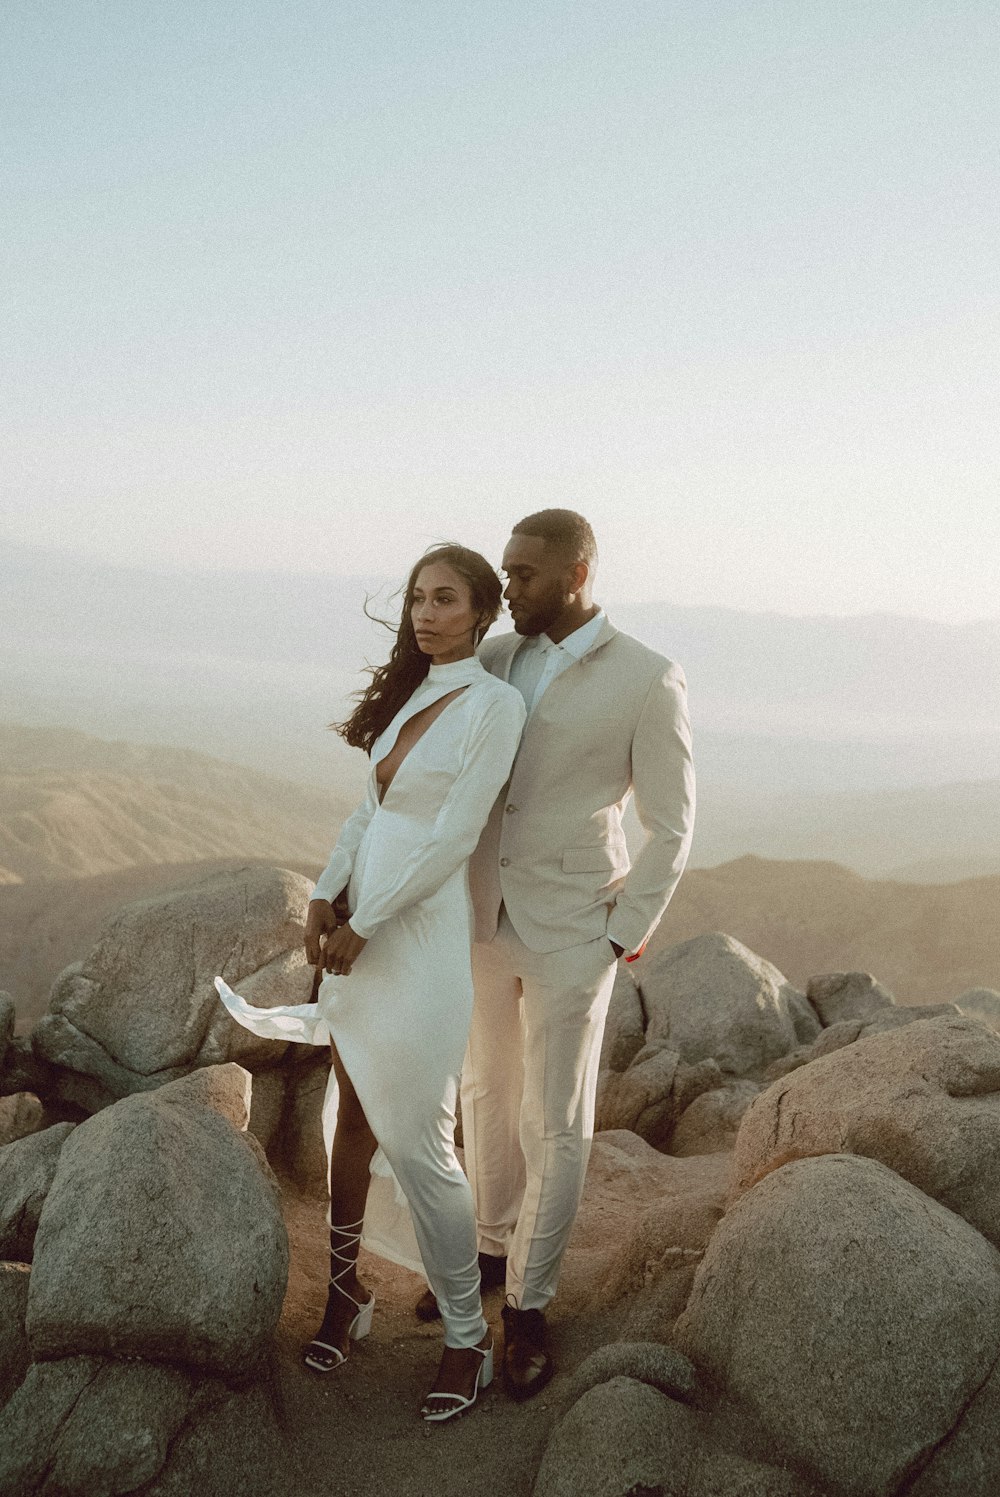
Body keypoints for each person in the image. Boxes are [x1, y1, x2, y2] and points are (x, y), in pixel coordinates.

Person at [215, 543, 525, 1423]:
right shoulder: (414, 693)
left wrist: (367, 921)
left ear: (482, 610)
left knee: (424, 1143)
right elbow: (373, 811)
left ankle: (468, 1337)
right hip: (359, 928)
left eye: (446, 599)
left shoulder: (495, 708)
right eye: (417, 598)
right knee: (350, 1116)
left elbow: (450, 837)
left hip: (416, 943)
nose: (426, 614)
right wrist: (323, 891)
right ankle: (345, 1295)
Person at [420, 508, 695, 1400]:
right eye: (503, 571)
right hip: (481, 917)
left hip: (579, 926)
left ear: (577, 573)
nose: (509, 588)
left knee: (556, 1119)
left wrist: (625, 929)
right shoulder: (495, 657)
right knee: (484, 1091)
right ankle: (492, 1253)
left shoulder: (649, 677)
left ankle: (530, 1307)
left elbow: (673, 823)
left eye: (524, 574)